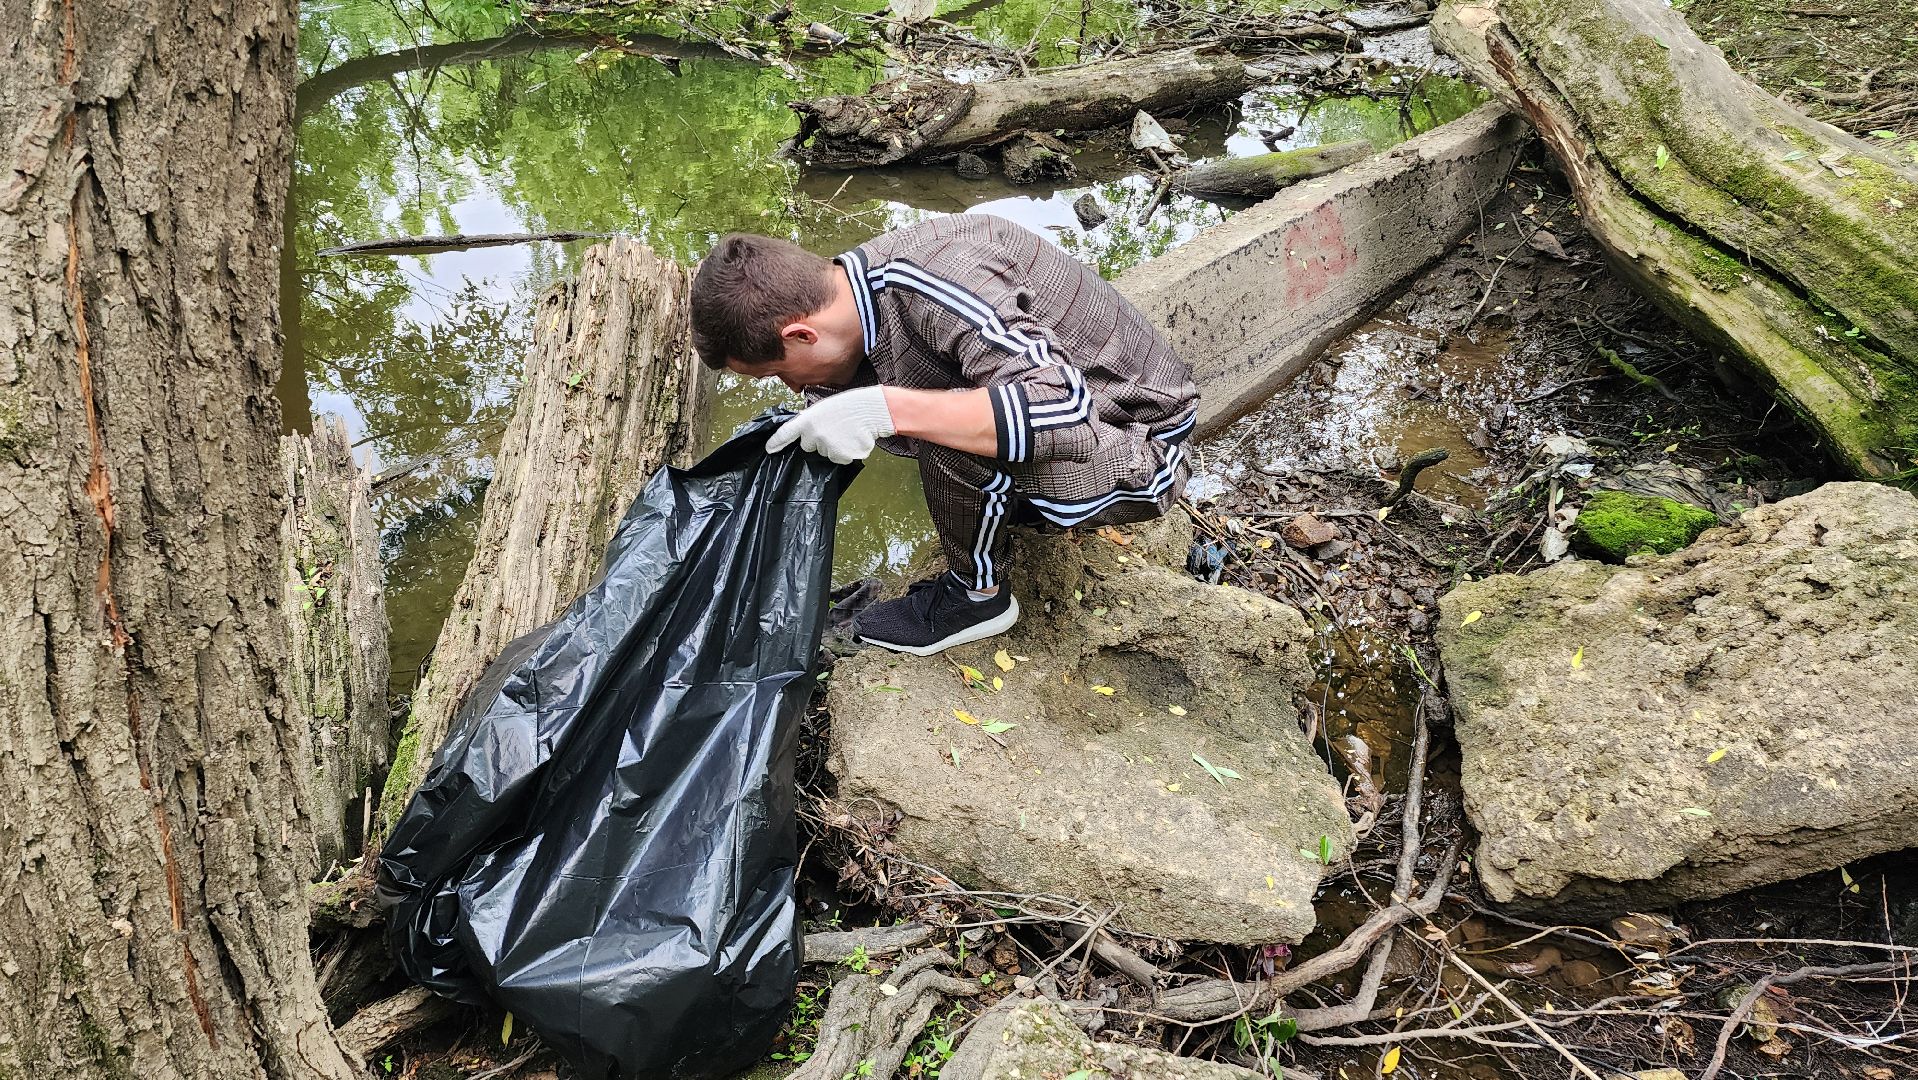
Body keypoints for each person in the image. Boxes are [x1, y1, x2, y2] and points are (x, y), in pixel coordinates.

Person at [690, 213, 1199, 655]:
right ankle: (1004, 510)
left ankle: (976, 599)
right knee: (881, 406)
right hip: (1098, 408)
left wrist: (887, 408)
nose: (790, 385)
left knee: (936, 419)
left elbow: (1061, 411)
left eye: (778, 373)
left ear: (801, 334)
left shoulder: (935, 279)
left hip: (1144, 445)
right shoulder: (848, 287)